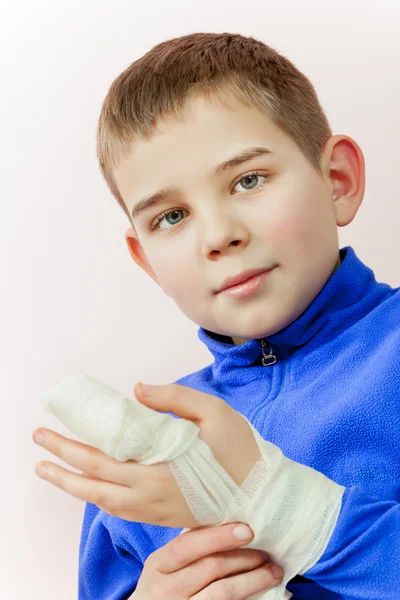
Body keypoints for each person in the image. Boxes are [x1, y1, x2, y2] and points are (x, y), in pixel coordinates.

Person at [77, 32, 400, 598]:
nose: (220, 235)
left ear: (337, 181)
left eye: (248, 180)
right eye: (172, 216)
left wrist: (294, 514)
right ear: (146, 260)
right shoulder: (140, 453)